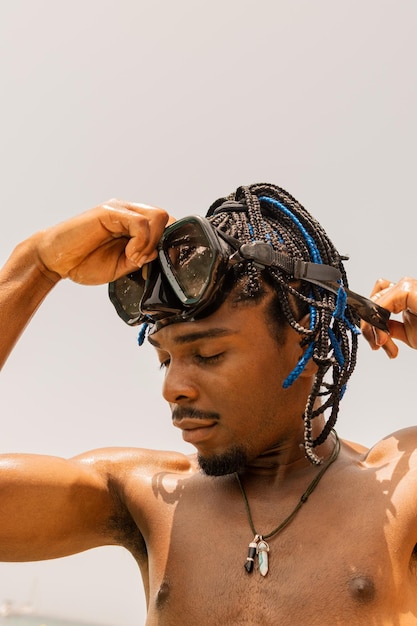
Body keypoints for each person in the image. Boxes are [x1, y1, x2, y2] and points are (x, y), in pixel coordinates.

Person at [1, 183, 417, 625]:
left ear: (305, 341)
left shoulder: (400, 487)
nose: (174, 388)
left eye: (209, 355)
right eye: (165, 360)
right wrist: (37, 263)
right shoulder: (151, 496)